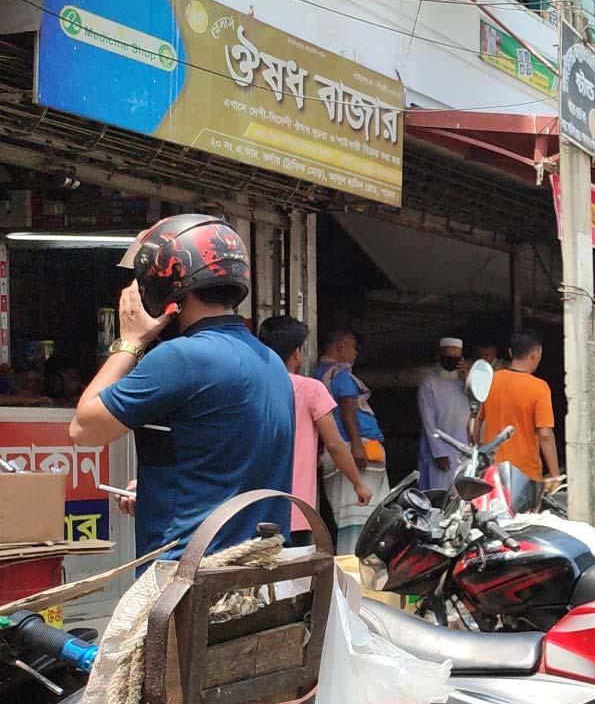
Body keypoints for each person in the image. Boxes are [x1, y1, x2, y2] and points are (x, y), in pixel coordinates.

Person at [70, 214, 294, 556]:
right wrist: (158, 487)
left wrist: (130, 341)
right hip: (256, 566)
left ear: (164, 282)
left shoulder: (182, 358)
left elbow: (85, 429)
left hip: (188, 575)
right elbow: (224, 464)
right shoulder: (268, 360)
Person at [258, 317, 369, 546]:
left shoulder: (250, 386)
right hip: (296, 514)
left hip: (253, 509)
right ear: (297, 353)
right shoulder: (310, 389)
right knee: (294, 577)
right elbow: (335, 445)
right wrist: (358, 483)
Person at [315, 328, 390, 552]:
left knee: (351, 516)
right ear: (340, 346)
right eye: (353, 347)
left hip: (347, 451)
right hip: (353, 451)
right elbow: (348, 408)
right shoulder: (339, 374)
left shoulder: (321, 374)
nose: (356, 353)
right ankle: (357, 570)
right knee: (360, 517)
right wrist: (357, 446)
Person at [478, 329, 560, 483]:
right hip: (525, 476)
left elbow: (476, 423)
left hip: (492, 473)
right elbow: (545, 435)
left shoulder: (490, 381)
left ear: (510, 352)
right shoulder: (540, 387)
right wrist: (555, 476)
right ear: (535, 354)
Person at [417, 337, 469, 491]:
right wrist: (439, 452)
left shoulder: (464, 383)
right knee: (439, 493)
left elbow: (478, 403)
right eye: (448, 355)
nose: (452, 359)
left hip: (464, 448)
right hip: (440, 450)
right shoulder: (429, 382)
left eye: (456, 356)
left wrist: (467, 377)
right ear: (440, 355)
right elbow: (428, 421)